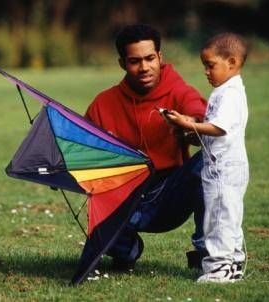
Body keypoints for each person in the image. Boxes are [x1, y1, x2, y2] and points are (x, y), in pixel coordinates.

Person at [84, 24, 208, 271]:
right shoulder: (103, 103)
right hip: (125, 198)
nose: (144, 68)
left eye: (150, 58)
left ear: (160, 57)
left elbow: (199, 117)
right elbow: (81, 149)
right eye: (134, 61)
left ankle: (207, 252)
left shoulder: (178, 90)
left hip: (169, 195)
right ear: (122, 64)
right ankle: (128, 250)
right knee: (101, 221)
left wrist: (189, 125)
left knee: (211, 159)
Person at [164, 32, 249, 282]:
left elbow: (219, 128)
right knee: (228, 214)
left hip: (224, 170)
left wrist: (187, 124)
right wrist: (188, 133)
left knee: (219, 218)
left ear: (231, 62)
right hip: (220, 166)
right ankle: (233, 263)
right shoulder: (225, 91)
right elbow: (216, 134)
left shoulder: (230, 94)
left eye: (210, 65)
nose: (206, 72)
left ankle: (219, 268)